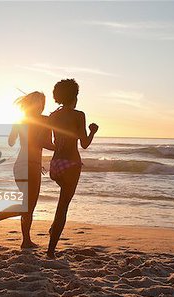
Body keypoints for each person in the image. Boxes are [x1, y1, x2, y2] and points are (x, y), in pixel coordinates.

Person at [0, 91, 54, 249]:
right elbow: (46, 144)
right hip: (29, 165)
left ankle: (21, 237)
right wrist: (64, 150)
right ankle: (0, 221)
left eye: (42, 102)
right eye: (39, 102)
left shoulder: (22, 120)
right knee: (28, 206)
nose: (41, 105)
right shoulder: (44, 121)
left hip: (23, 165)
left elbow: (11, 142)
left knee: (27, 205)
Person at [47, 79, 98, 258]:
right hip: (71, 164)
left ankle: (54, 228)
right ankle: (51, 251)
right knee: (62, 207)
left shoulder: (53, 116)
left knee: (62, 198)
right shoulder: (79, 115)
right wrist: (93, 131)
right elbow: (84, 144)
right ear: (74, 96)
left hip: (55, 165)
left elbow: (53, 142)